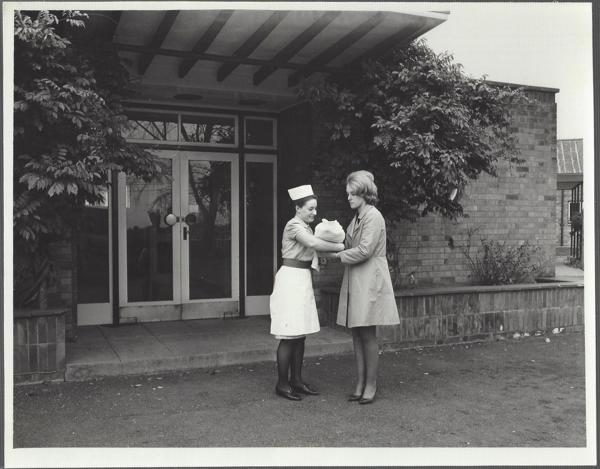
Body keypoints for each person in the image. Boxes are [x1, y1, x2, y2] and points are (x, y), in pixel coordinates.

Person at [269, 185, 345, 401]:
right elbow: (313, 244)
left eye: (315, 209)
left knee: (300, 335)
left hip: (301, 279)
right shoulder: (294, 226)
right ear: (298, 208)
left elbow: (318, 250)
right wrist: (341, 246)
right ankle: (282, 384)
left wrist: (346, 250)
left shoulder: (306, 227)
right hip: (290, 280)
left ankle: (297, 381)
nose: (314, 213)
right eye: (310, 209)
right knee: (288, 336)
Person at [330, 171, 399, 404]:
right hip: (357, 278)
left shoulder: (373, 216)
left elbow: (364, 250)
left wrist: (337, 256)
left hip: (369, 280)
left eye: (352, 194)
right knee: (357, 332)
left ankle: (371, 384)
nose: (348, 198)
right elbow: (349, 243)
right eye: (348, 194)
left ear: (364, 193)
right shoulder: (358, 217)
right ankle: (360, 382)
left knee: (367, 333)